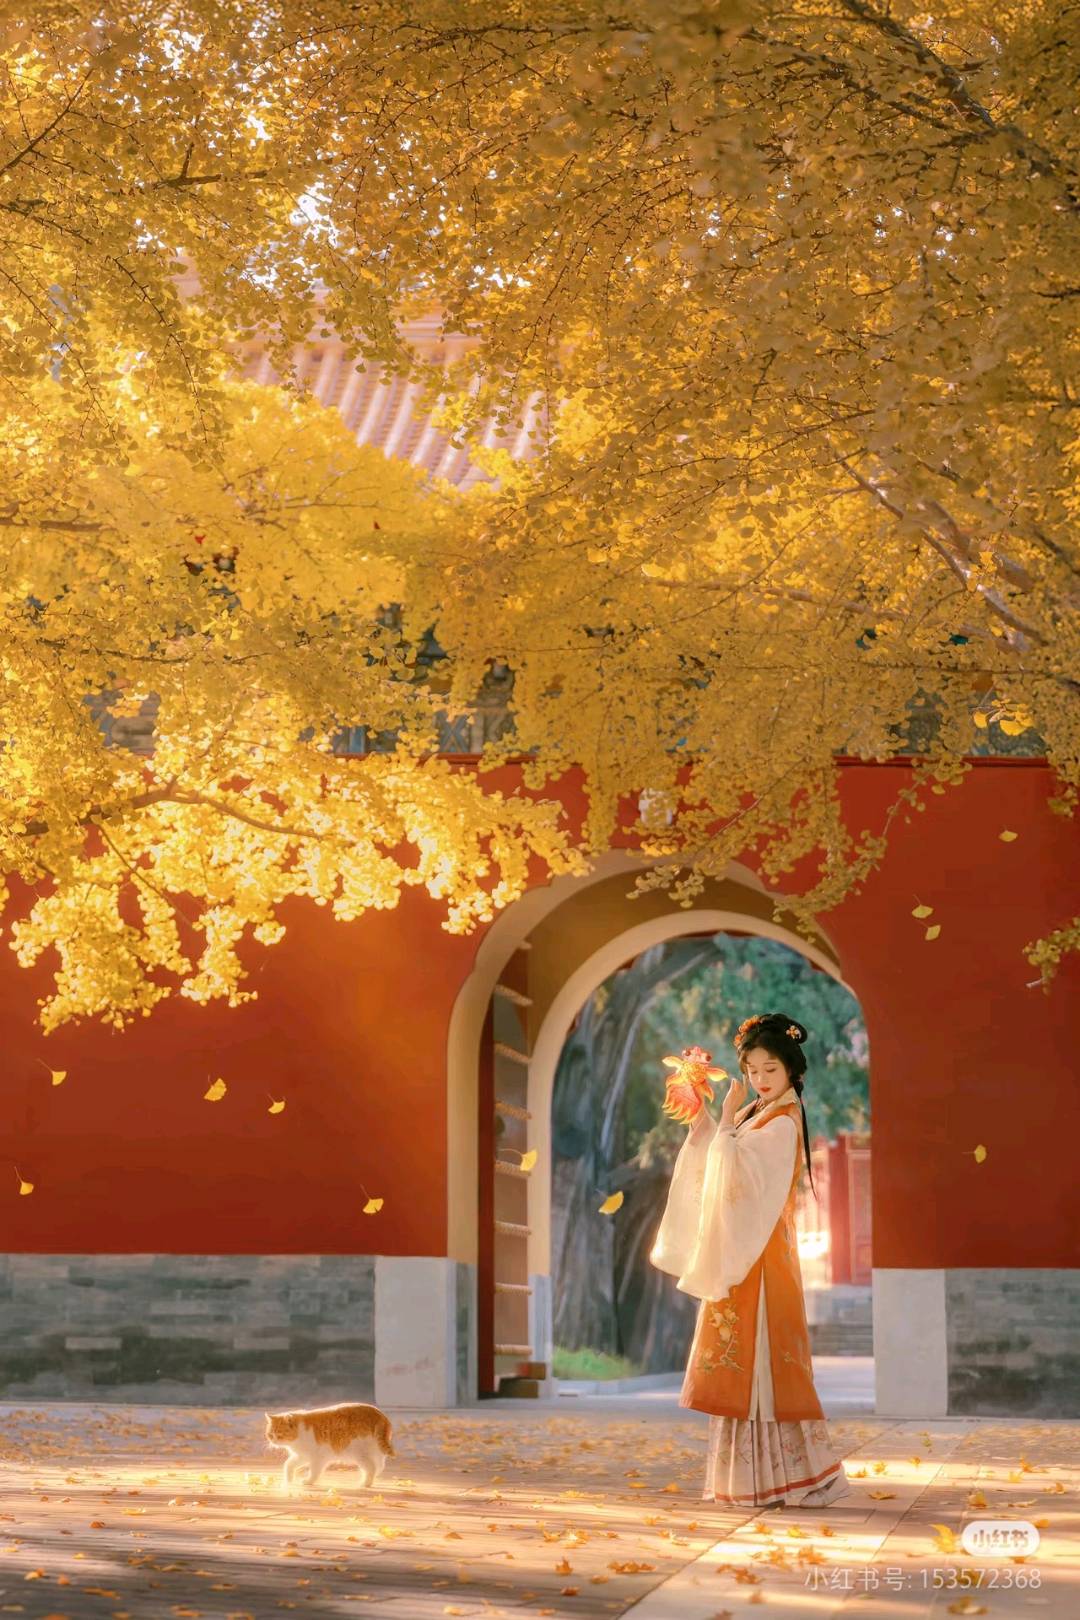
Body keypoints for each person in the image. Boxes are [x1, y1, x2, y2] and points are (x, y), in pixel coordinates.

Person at [650, 1011, 852, 1509]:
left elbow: (738, 1174)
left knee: (762, 1367)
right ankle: (760, 1479)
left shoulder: (782, 1121)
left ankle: (792, 1478)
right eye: (752, 1070)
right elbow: (719, 1157)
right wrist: (701, 1112)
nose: (760, 1079)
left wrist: (723, 1120)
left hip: (760, 1260)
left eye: (770, 1070)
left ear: (791, 1071)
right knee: (745, 1366)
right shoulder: (758, 1113)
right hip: (745, 1253)